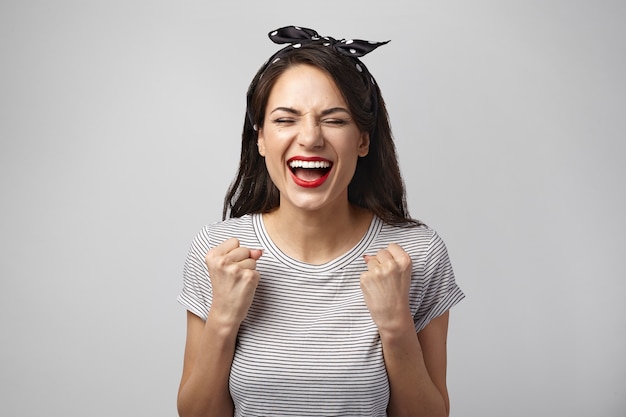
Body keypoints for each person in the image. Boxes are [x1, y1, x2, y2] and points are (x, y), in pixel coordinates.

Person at [177, 25, 464, 417]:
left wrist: (396, 327)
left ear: (363, 140)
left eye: (334, 119)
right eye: (285, 120)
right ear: (260, 138)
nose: (310, 138)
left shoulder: (418, 253)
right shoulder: (218, 254)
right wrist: (223, 320)